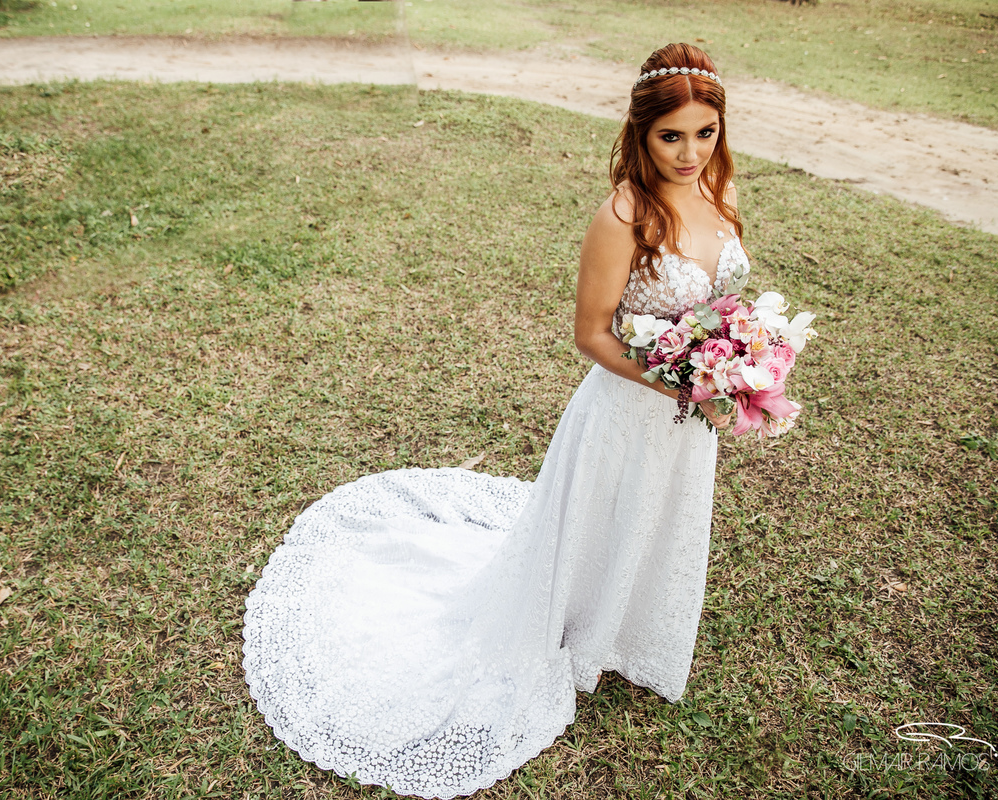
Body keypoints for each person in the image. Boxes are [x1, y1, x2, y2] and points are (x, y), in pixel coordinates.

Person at [242, 42, 748, 799]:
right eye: (670, 136)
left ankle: (627, 626)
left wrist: (739, 359)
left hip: (691, 415)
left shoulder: (721, 196)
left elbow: (724, 302)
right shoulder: (622, 216)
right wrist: (678, 379)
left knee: (660, 514)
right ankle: (574, 622)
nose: (689, 152)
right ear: (640, 133)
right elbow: (591, 333)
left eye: (704, 133)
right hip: (631, 406)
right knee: (604, 511)